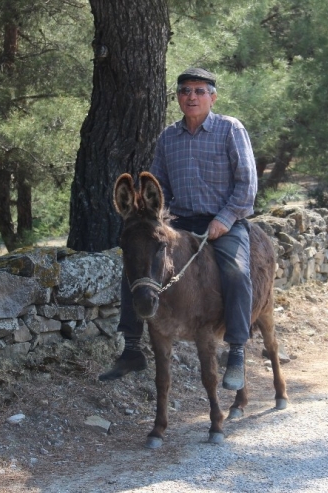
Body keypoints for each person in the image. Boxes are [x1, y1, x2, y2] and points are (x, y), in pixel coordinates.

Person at [99, 67, 257, 391]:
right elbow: (161, 187)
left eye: (200, 91)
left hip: (225, 222)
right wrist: (148, 219)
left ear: (213, 96)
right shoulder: (169, 137)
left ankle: (237, 351)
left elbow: (246, 185)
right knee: (137, 268)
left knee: (237, 272)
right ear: (178, 98)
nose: (192, 97)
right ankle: (131, 347)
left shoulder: (230, 130)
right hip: (180, 223)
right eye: (186, 91)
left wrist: (224, 219)